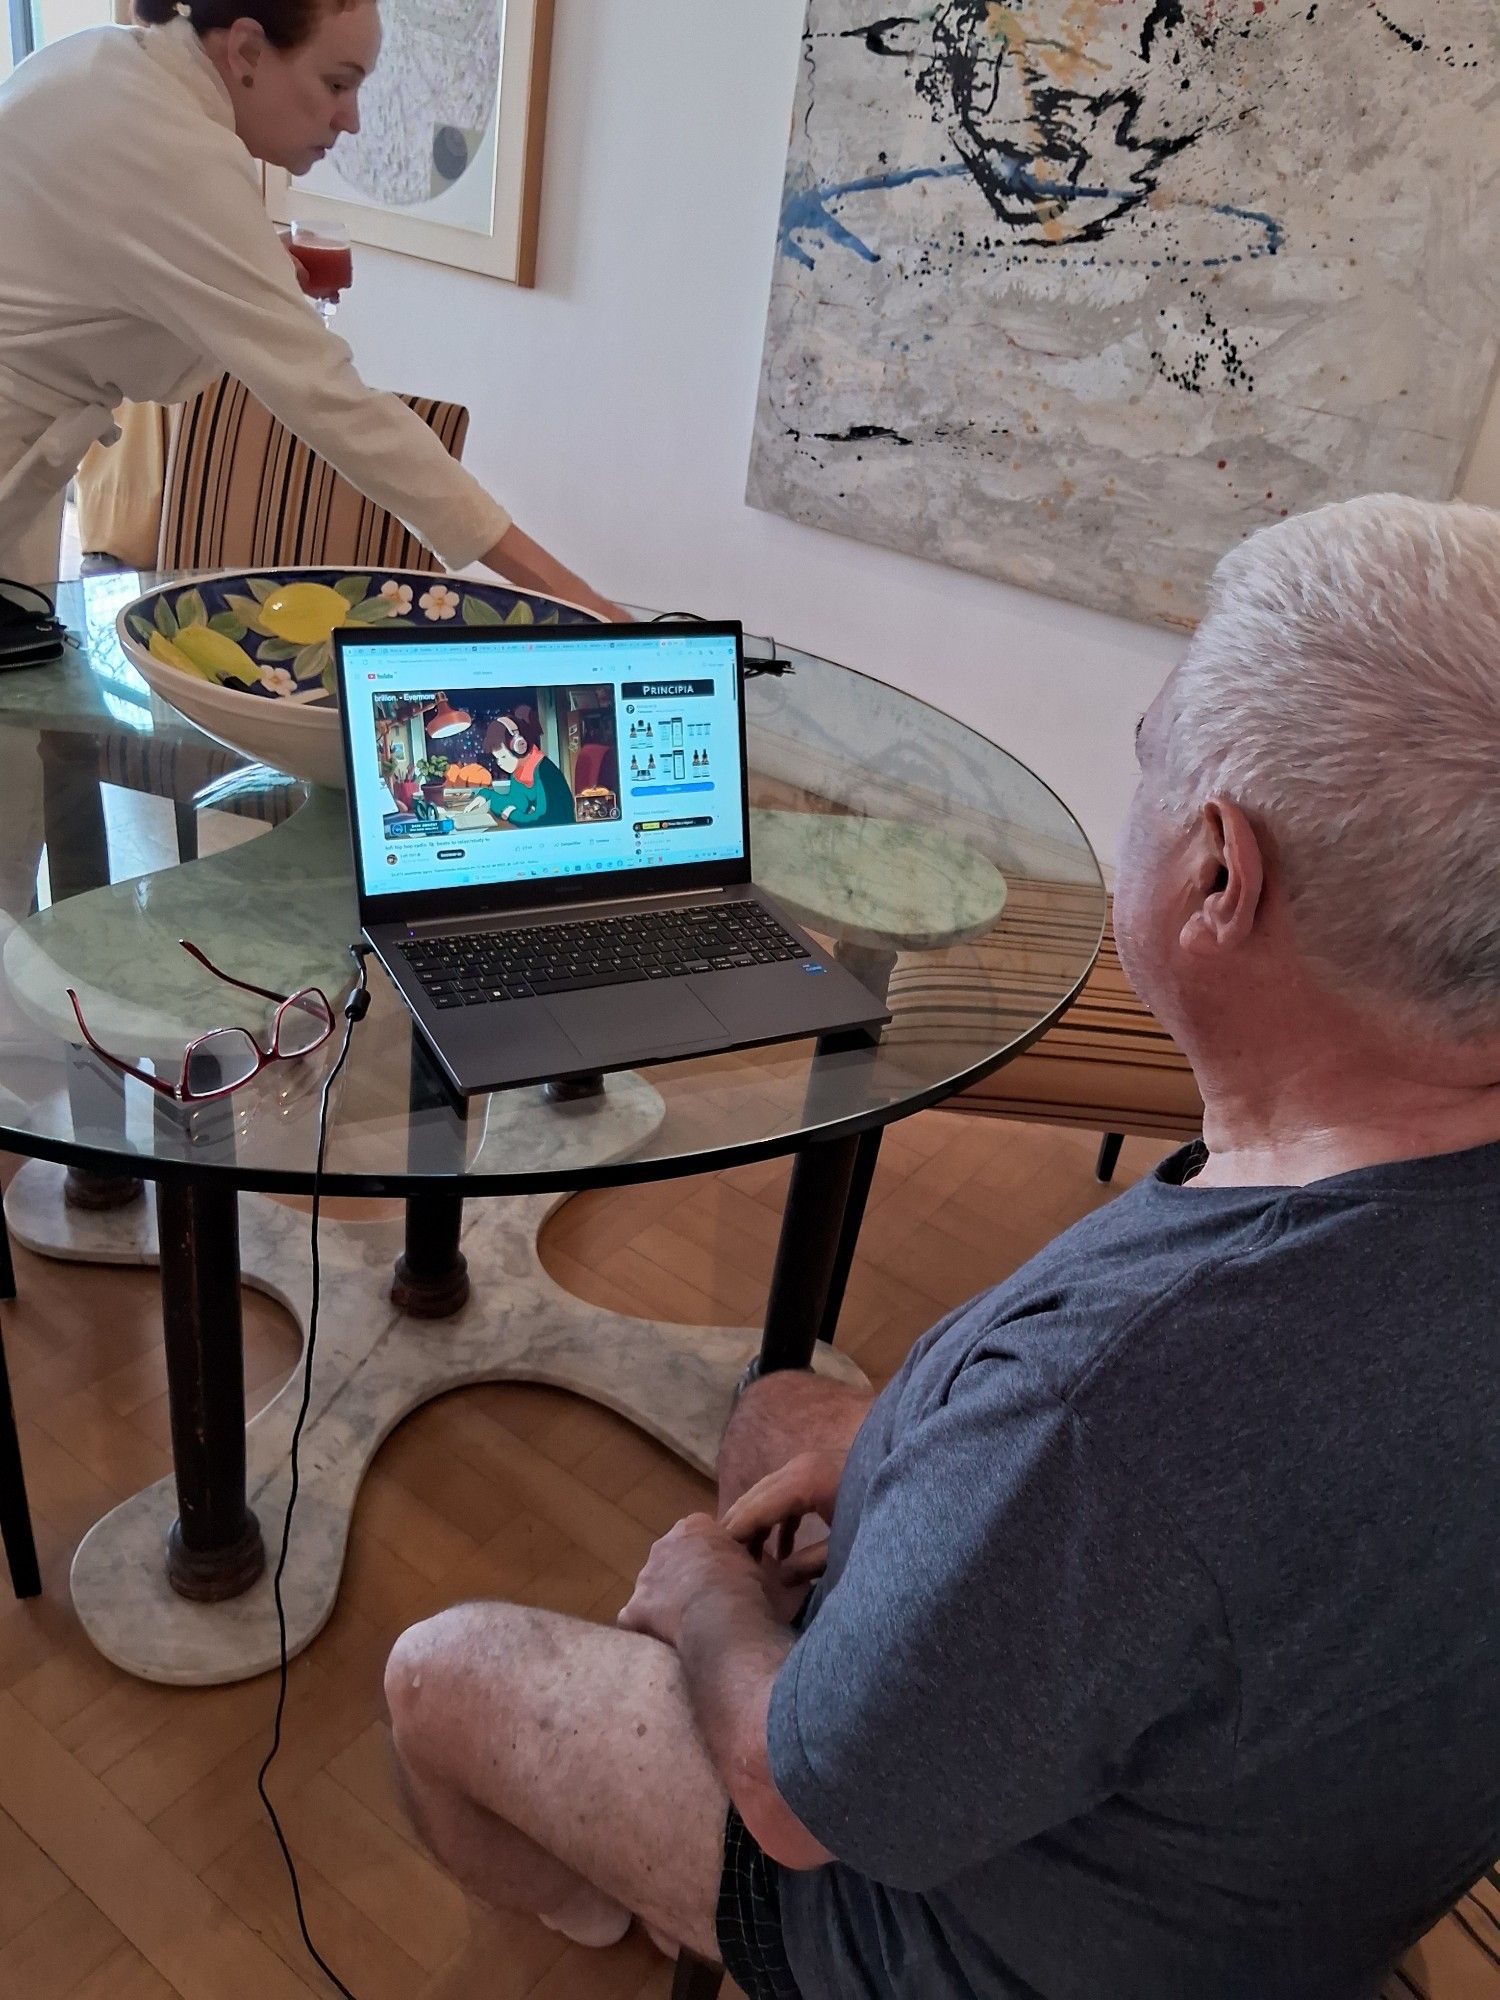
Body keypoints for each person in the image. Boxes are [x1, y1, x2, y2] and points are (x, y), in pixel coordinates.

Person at [382, 494, 1500, 1998]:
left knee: (437, 1678)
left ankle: (622, 1912)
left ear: (1219, 876)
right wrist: (917, 1460)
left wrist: (710, 1604)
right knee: (784, 1410)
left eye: (1151, 753)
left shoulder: (1111, 1406)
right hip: (1301, 1841)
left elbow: (796, 1799)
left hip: (1001, 1942)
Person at [0, 0, 618, 618]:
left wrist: (245, 262)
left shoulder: (102, 61)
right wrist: (581, 603)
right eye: (337, 84)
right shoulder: (173, 149)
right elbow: (340, 409)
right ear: (245, 50)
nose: (350, 119)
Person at [477, 707, 574, 826]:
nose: (499, 763)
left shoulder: (545, 772)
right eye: (496, 758)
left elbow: (544, 819)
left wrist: (512, 814)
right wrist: (486, 796)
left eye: (502, 757)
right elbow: (516, 802)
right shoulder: (520, 770)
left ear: (519, 748)